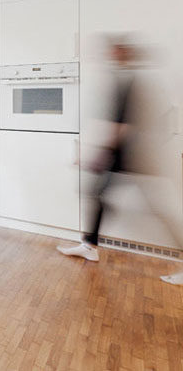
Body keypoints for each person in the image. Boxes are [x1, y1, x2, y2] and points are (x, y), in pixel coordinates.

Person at [57, 35, 183, 283]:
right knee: (97, 195)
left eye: (115, 52)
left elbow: (121, 127)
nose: (109, 56)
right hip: (123, 160)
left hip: (138, 162)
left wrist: (93, 155)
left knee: (160, 211)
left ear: (124, 54)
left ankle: (90, 245)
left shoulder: (130, 82)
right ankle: (90, 246)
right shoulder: (125, 79)